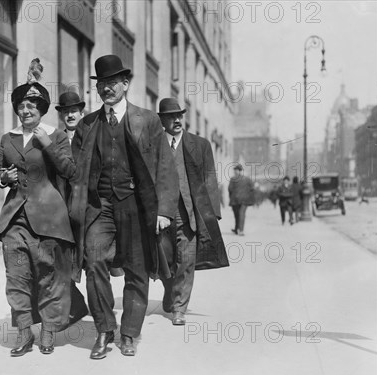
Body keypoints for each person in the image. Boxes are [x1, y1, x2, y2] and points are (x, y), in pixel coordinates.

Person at [69, 55, 178, 358]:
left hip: (136, 204)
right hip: (99, 205)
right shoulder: (88, 124)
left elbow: (165, 168)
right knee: (93, 262)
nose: (107, 88)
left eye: (112, 83)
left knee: (137, 270)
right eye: (102, 83)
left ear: (125, 84)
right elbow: (75, 170)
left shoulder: (148, 120)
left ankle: (129, 333)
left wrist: (165, 211)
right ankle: (104, 329)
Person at [0, 59, 85, 356]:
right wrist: (3, 177)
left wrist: (48, 145)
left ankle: (47, 330)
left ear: (41, 109)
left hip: (50, 218)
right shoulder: (8, 138)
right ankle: (22, 334)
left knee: (49, 277)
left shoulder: (54, 135)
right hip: (15, 218)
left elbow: (71, 171)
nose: (26, 110)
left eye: (32, 105)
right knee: (16, 277)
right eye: (21, 105)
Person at [156, 98, 229, 326]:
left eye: (179, 115)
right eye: (171, 116)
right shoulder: (153, 145)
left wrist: (211, 214)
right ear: (162, 120)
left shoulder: (200, 144)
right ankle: (170, 291)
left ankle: (179, 308)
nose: (177, 120)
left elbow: (210, 178)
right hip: (161, 214)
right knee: (164, 260)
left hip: (189, 213)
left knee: (186, 260)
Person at [228, 164, 254, 236]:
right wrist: (248, 195)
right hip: (245, 200)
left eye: (235, 170)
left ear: (239, 171)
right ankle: (239, 229)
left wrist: (231, 198)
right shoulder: (247, 179)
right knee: (241, 214)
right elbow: (252, 188)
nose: (235, 172)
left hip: (235, 199)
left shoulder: (233, 179)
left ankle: (238, 229)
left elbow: (230, 189)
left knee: (237, 214)